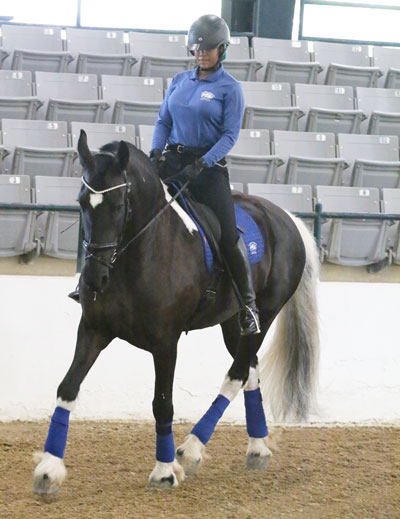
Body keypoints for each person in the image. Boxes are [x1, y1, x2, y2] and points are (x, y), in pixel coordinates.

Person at [149, 14, 260, 335]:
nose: (201, 54)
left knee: (227, 235)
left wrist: (204, 163)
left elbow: (229, 136)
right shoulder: (180, 81)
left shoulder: (230, 88)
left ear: (222, 49)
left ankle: (248, 306)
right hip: (172, 160)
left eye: (208, 49)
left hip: (208, 171)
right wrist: (156, 151)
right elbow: (163, 121)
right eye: (197, 49)